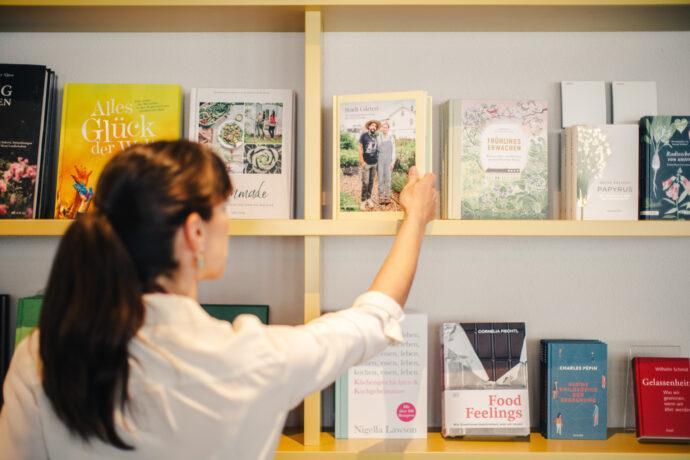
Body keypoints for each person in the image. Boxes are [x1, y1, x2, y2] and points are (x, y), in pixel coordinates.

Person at [0, 140, 437, 459]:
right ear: (194, 232)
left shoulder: (39, 357)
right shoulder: (254, 360)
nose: (229, 222)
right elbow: (374, 319)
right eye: (224, 208)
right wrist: (415, 217)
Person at [359, 120, 380, 210]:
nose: (373, 127)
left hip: (374, 163)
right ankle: (363, 201)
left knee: (371, 182)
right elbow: (360, 148)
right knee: (365, 183)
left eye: (375, 126)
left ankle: (368, 198)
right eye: (372, 125)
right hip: (366, 163)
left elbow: (378, 149)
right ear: (369, 127)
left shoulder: (376, 136)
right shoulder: (364, 136)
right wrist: (362, 162)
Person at [377, 120, 396, 205]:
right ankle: (381, 197)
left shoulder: (391, 138)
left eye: (386, 127)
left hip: (388, 161)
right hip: (380, 161)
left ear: (388, 129)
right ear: (381, 129)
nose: (384, 129)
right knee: (381, 179)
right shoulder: (378, 138)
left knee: (388, 179)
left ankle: (387, 197)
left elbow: (394, 151)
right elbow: (376, 151)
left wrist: (392, 162)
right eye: (383, 127)